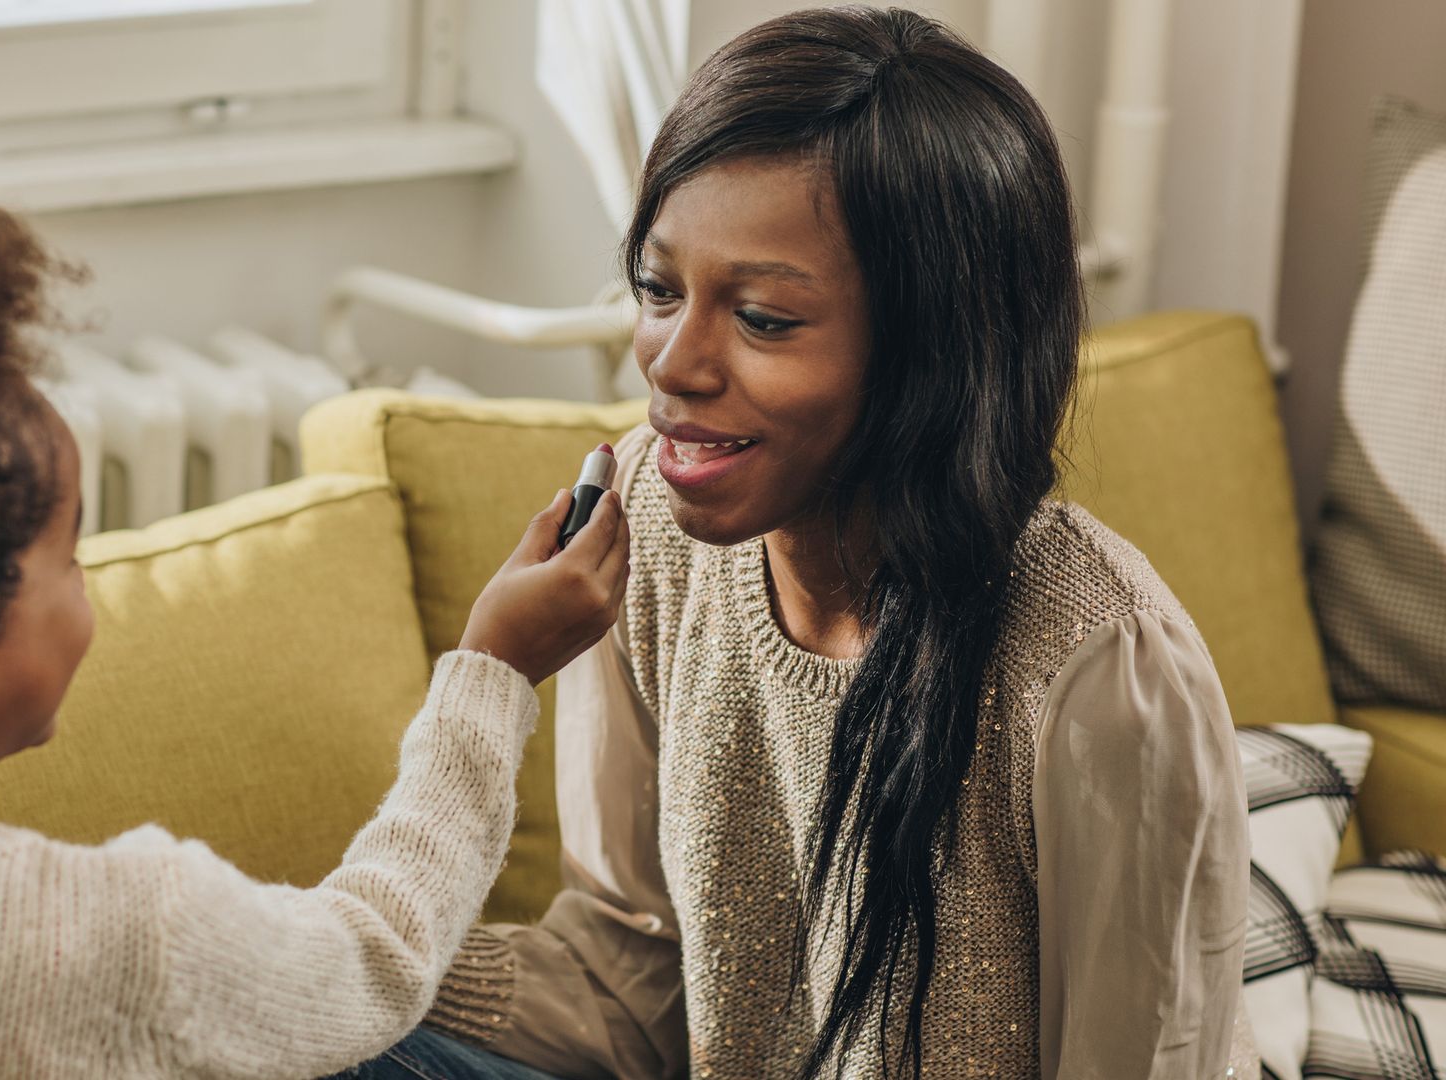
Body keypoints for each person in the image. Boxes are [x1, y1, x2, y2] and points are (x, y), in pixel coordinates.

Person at [345, 7, 1255, 1079]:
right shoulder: (645, 535)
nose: (673, 365)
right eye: (658, 289)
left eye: (764, 319)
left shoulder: (1101, 671)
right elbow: (632, 987)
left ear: (932, 352)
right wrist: (342, 963)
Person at [0, 152, 629, 1079]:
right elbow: (375, 957)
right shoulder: (127, 935)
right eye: (67, 559)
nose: (89, 596)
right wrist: (492, 670)